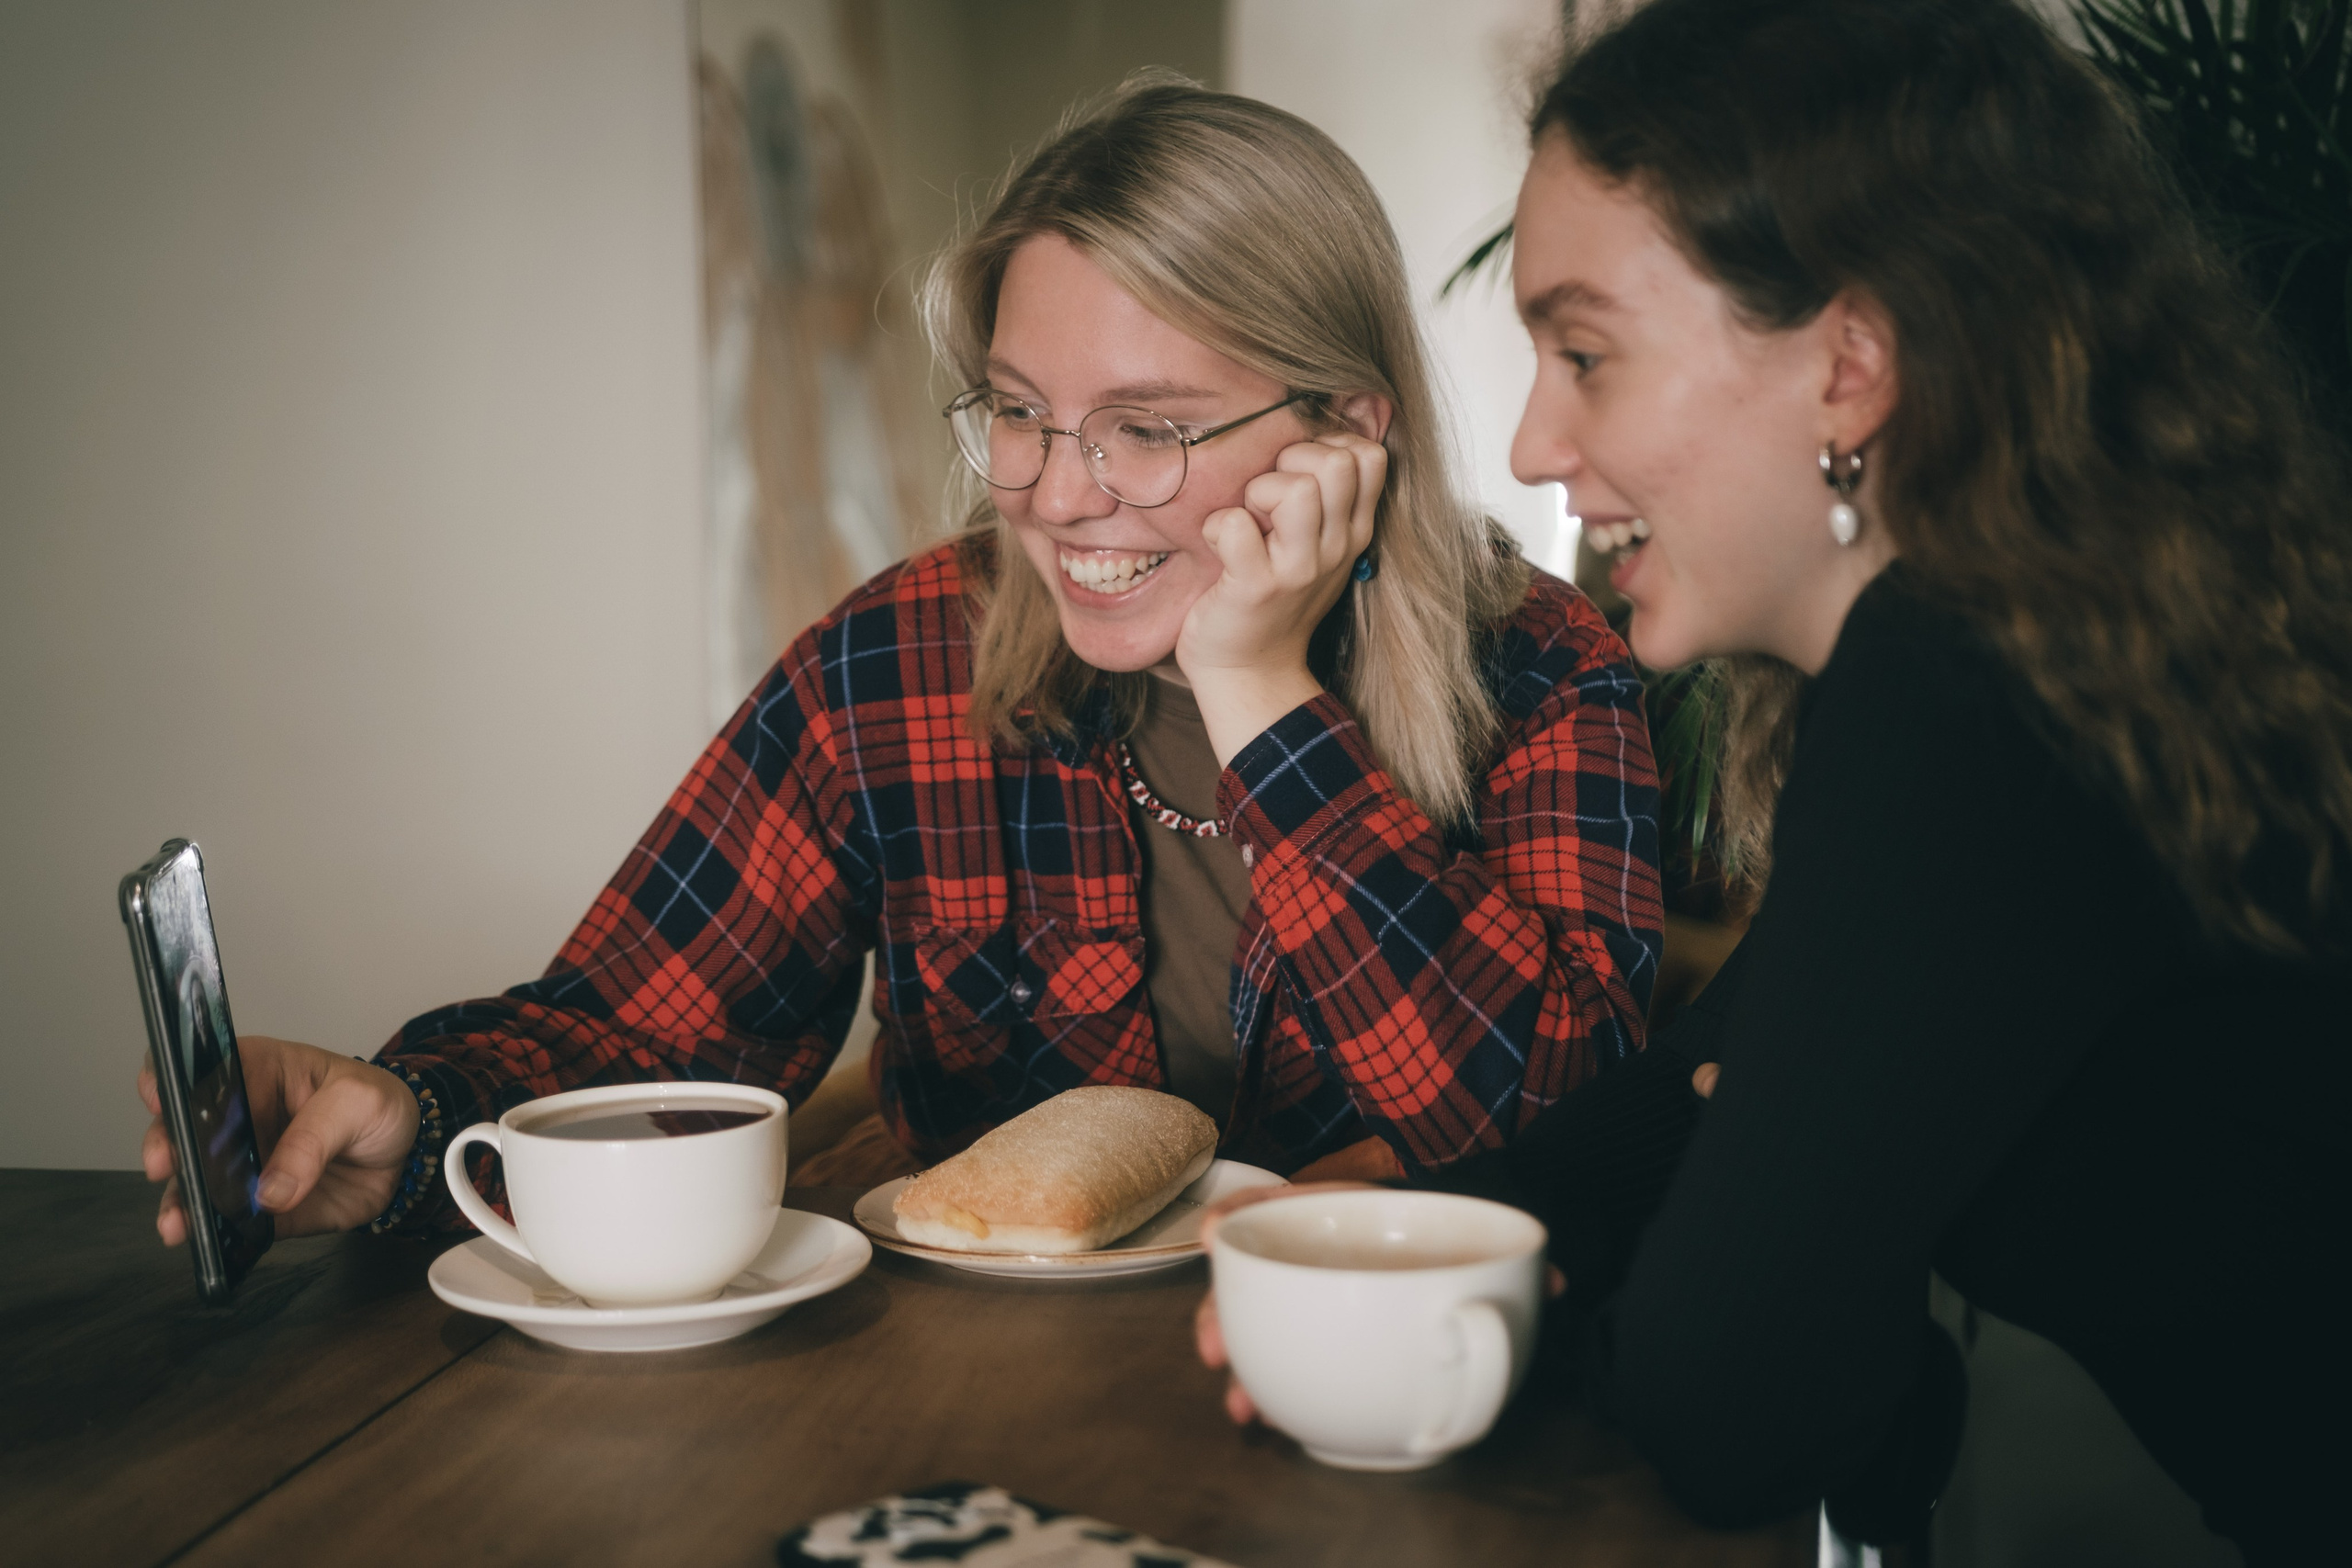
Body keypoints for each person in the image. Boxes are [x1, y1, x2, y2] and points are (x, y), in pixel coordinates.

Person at [1197, 2, 2350, 1560]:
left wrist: (1436, 1351)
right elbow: (1711, 1080)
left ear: (1852, 363)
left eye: (1586, 352)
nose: (1536, 443)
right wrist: (1450, 1238)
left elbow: (1731, 1407)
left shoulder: (1967, 694)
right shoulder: (2056, 648)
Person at [138, 79, 1665, 1244]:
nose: (1058, 496)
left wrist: (1265, 689)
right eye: (1019, 411)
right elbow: (637, 1028)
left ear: (1347, 429)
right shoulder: (899, 663)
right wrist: (410, 1122)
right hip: (974, 1421)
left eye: (1147, 429)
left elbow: (1560, 1127)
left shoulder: (1543, 674)